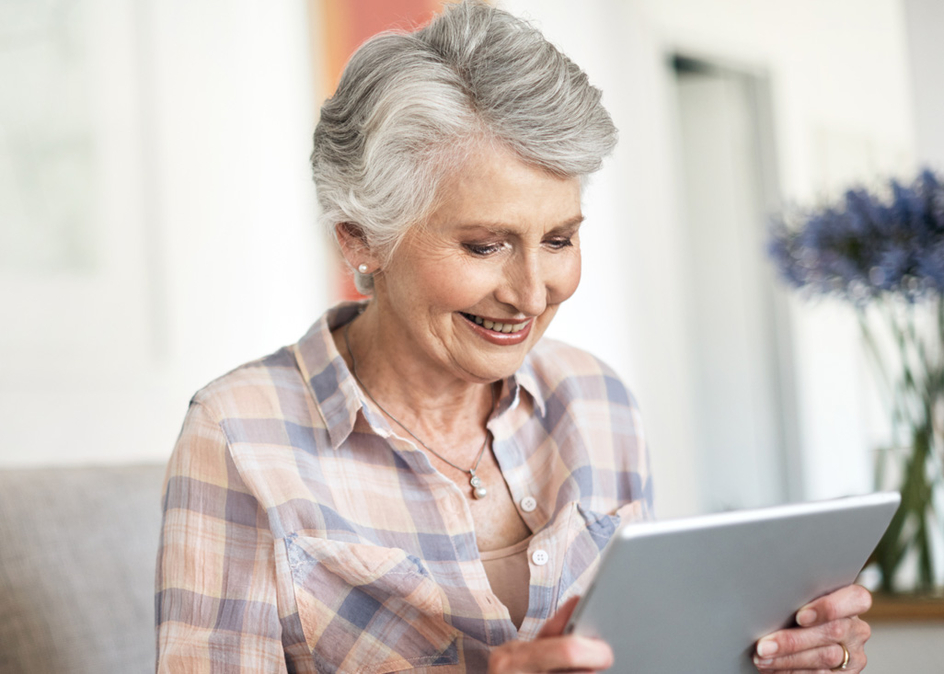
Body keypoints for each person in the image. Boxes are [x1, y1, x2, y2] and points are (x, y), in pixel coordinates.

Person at [155, 2, 873, 672]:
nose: (532, 294)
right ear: (362, 238)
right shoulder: (241, 436)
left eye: (559, 238)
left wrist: (764, 654)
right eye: (485, 245)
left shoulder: (596, 400)